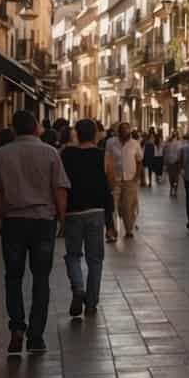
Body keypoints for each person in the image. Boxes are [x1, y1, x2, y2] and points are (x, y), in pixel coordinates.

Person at [0, 110, 70, 355]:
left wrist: (0, 218)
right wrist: (62, 219)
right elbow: (60, 189)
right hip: (43, 222)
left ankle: (17, 328)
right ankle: (36, 336)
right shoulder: (51, 153)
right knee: (41, 278)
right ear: (36, 128)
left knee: (13, 277)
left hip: (13, 222)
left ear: (13, 129)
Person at [61, 119, 113, 319]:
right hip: (96, 213)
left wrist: (60, 215)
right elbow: (109, 188)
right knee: (95, 259)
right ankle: (91, 302)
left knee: (73, 255)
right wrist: (110, 223)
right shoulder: (103, 156)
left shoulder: (66, 155)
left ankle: (78, 288)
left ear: (77, 134)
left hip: (72, 213)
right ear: (94, 135)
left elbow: (60, 185)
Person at [103, 122, 142, 239]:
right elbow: (107, 160)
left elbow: (139, 161)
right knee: (113, 207)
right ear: (119, 132)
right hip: (114, 179)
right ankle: (113, 231)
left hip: (130, 179)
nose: (126, 132)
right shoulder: (110, 143)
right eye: (123, 130)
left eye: (127, 130)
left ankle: (129, 229)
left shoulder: (135, 144)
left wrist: (137, 177)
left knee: (128, 206)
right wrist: (107, 176)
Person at [162, 130, 183, 199]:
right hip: (176, 162)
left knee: (171, 176)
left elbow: (165, 153)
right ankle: (175, 190)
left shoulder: (168, 143)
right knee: (176, 176)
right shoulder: (179, 143)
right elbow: (180, 153)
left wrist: (165, 162)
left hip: (170, 162)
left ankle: (171, 188)